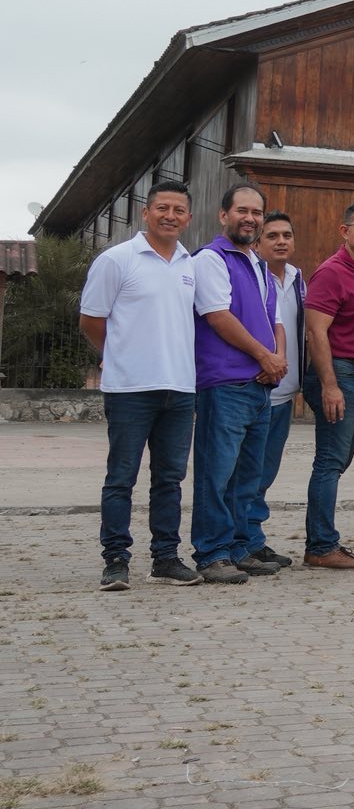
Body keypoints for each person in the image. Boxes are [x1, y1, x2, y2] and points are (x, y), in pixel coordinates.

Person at [81, 179, 201, 590]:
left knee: (169, 480)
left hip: (180, 388)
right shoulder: (117, 260)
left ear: (188, 217)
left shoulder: (189, 264)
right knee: (121, 478)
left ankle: (165, 558)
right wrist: (116, 354)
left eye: (178, 210)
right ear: (145, 212)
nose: (170, 216)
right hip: (130, 390)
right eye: (162, 208)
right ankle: (116, 560)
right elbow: (91, 320)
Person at [188, 183, 286, 585]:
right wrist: (264, 356)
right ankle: (212, 553)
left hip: (260, 384)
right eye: (242, 211)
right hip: (225, 383)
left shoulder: (259, 264)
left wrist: (276, 360)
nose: (250, 218)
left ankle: (240, 548)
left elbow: (274, 320)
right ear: (223, 215)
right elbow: (218, 316)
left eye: (256, 212)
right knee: (216, 473)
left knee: (247, 475)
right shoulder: (211, 259)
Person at [302, 199, 354, 571]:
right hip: (339, 373)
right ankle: (321, 546)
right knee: (330, 462)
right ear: (344, 231)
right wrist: (329, 385)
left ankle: (322, 542)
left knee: (338, 460)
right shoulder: (331, 272)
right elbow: (316, 331)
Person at [241, 211, 304, 576]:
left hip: (286, 391)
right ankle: (239, 542)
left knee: (265, 473)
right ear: (257, 242)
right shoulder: (251, 276)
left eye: (287, 235)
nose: (281, 241)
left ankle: (253, 538)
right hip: (257, 388)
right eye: (272, 235)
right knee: (246, 473)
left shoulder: (297, 278)